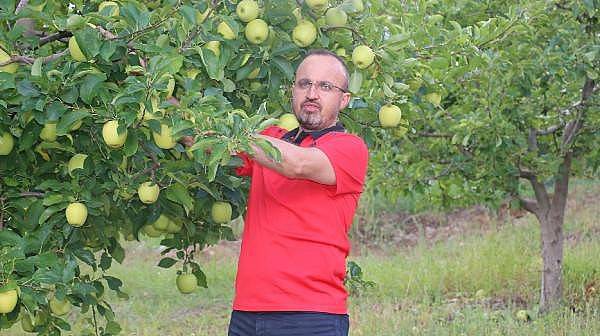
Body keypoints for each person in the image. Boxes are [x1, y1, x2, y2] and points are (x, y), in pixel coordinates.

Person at [227, 49, 369, 336]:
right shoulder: (269, 140)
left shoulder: (349, 148)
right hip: (247, 312)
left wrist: (235, 132)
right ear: (293, 90)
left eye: (325, 86)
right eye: (304, 84)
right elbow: (206, 142)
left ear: (344, 99)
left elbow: (298, 164)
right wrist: (166, 106)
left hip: (310, 315)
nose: (312, 93)